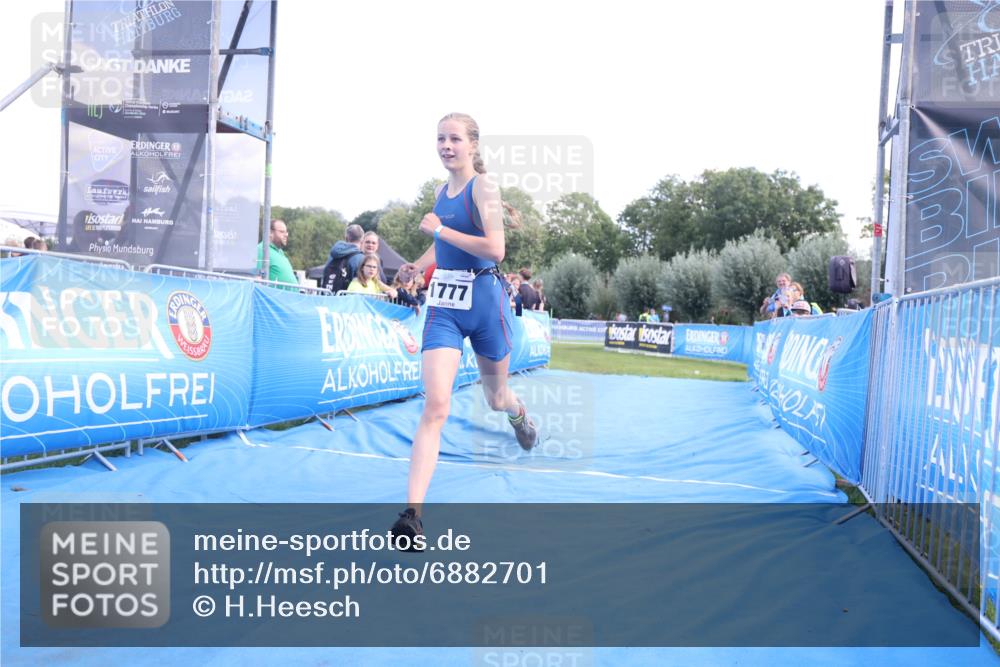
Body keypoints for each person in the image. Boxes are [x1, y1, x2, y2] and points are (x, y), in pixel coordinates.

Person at [391, 113, 539, 549]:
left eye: (454, 138)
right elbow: (444, 243)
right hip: (445, 307)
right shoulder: (441, 191)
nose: (445, 145)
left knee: (496, 398)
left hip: (486, 303)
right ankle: (412, 516)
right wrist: (420, 263)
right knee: (435, 406)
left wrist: (440, 228)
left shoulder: (484, 188)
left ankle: (519, 415)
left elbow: (495, 248)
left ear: (473, 145)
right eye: (440, 138)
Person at [322, 224, 366, 292]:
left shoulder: (333, 254)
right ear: (362, 239)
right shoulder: (360, 258)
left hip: (327, 297)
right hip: (346, 299)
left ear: (346, 238)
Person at [256, 219, 297, 284]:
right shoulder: (261, 250)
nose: (286, 235)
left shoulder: (280, 251)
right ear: (270, 233)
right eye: (282, 232)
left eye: (286, 232)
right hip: (273, 294)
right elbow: (257, 278)